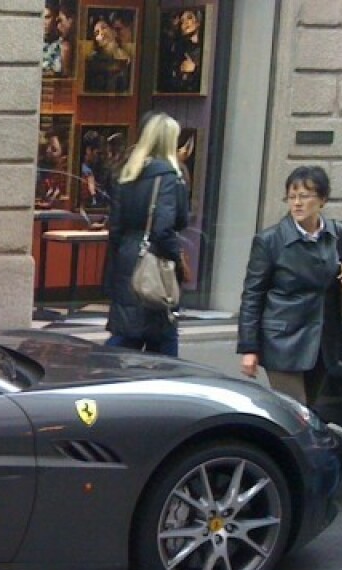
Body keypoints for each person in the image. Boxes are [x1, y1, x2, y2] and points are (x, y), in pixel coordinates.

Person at [236, 165, 342, 403]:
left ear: (322, 200)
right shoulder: (269, 241)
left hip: (324, 339)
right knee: (294, 412)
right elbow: (253, 295)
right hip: (283, 340)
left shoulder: (337, 233)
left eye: (304, 196)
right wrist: (249, 348)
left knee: (313, 412)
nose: (297, 203)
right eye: (292, 197)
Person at [102, 112, 189, 356]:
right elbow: (166, 228)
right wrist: (177, 259)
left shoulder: (127, 174)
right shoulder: (169, 178)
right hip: (154, 262)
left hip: (128, 260)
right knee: (163, 339)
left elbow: (115, 227)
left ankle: (99, 370)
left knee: (127, 334)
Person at [85, 14, 132, 94]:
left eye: (103, 28)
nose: (101, 33)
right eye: (97, 33)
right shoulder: (93, 60)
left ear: (113, 31)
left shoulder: (128, 57)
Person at [161, 8, 204, 93]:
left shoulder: (203, 49)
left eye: (189, 17)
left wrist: (195, 69)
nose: (186, 23)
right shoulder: (177, 50)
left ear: (198, 22)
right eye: (182, 20)